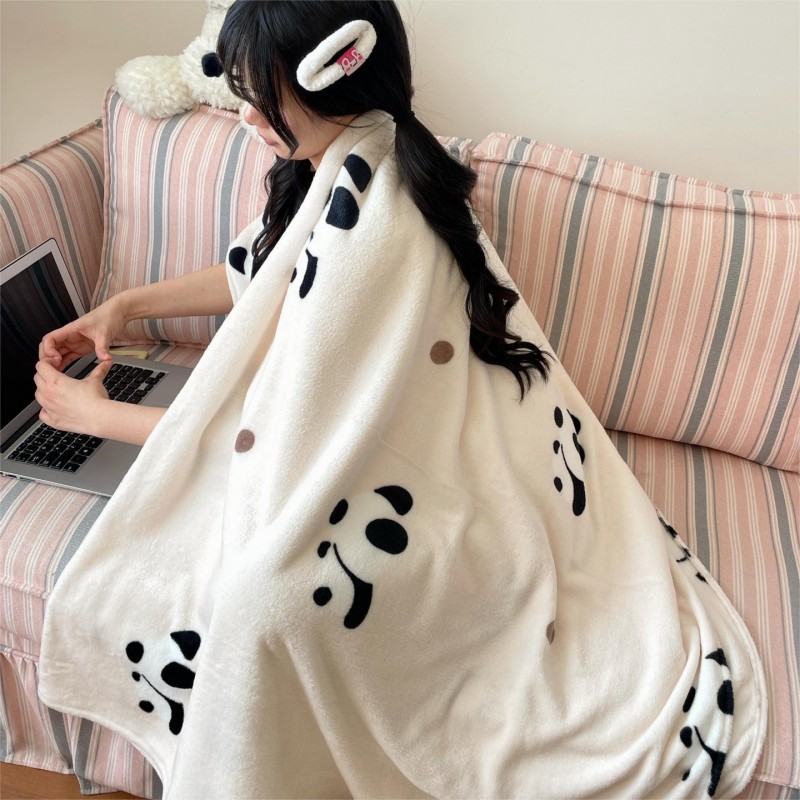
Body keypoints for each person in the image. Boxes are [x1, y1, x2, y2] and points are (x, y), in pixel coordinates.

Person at [35, 0, 548, 448]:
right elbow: (261, 273)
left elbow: (292, 442)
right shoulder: (348, 161)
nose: (249, 116)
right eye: (244, 92)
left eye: (268, 97)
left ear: (336, 74)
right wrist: (123, 308)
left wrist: (98, 417)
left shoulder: (372, 227)